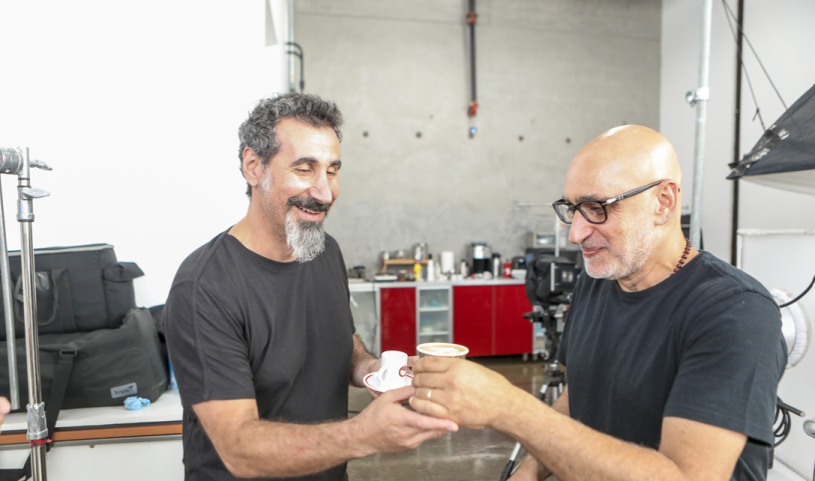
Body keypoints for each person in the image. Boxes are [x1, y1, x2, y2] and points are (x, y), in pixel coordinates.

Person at [410, 125, 786, 481]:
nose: (575, 233)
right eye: (572, 208)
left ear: (663, 202)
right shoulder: (597, 280)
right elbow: (578, 397)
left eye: (597, 207)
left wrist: (510, 409)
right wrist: (529, 472)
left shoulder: (733, 312)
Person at [164, 93, 457, 481]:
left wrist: (371, 370)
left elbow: (341, 342)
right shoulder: (204, 287)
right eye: (304, 169)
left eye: (332, 171)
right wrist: (363, 434)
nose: (325, 193)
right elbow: (239, 449)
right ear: (253, 167)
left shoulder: (323, 250)